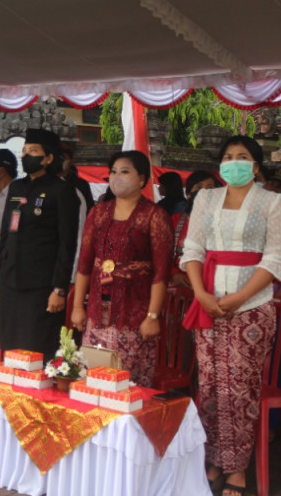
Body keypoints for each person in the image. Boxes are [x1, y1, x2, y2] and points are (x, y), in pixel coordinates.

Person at [181, 136, 281, 496]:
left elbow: (275, 259)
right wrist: (200, 293)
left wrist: (240, 297)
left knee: (239, 388)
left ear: (256, 166)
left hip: (252, 306)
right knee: (210, 385)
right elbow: (193, 248)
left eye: (242, 157)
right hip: (207, 302)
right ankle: (214, 458)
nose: (234, 163)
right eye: (227, 157)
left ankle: (238, 468)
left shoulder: (273, 202)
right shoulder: (205, 197)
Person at [71, 150, 173, 386]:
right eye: (113, 172)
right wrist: (78, 306)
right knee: (93, 378)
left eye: (125, 172)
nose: (117, 177)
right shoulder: (98, 212)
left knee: (126, 384)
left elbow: (161, 273)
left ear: (142, 179)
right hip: (97, 313)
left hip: (135, 315)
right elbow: (84, 264)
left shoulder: (154, 216)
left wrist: (153, 316)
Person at [0, 128, 79, 360]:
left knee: (37, 348)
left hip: (41, 285)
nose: (26, 155)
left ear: (48, 158)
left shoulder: (62, 190)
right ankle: (11, 394)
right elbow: (5, 235)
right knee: (11, 346)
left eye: (34, 151)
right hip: (11, 280)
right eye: (25, 151)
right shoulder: (16, 188)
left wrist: (59, 288)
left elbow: (67, 243)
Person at [170, 170, 221, 286]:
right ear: (188, 194)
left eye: (210, 187)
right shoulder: (175, 221)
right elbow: (162, 253)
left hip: (212, 286)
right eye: (198, 187)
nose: (204, 192)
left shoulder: (223, 222)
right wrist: (173, 273)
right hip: (181, 286)